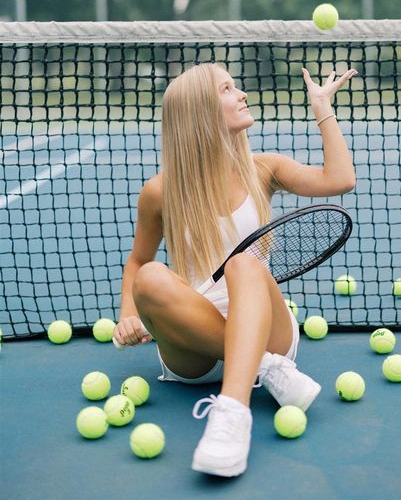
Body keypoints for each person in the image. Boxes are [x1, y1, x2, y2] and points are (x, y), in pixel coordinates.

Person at [113, 62, 357, 477]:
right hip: (193, 347)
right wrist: (128, 316)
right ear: (201, 112)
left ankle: (231, 413)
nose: (242, 93)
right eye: (227, 88)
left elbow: (341, 179)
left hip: (270, 330)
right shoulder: (160, 191)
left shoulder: (263, 169)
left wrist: (322, 107)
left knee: (243, 263)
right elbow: (138, 261)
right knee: (152, 276)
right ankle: (263, 367)